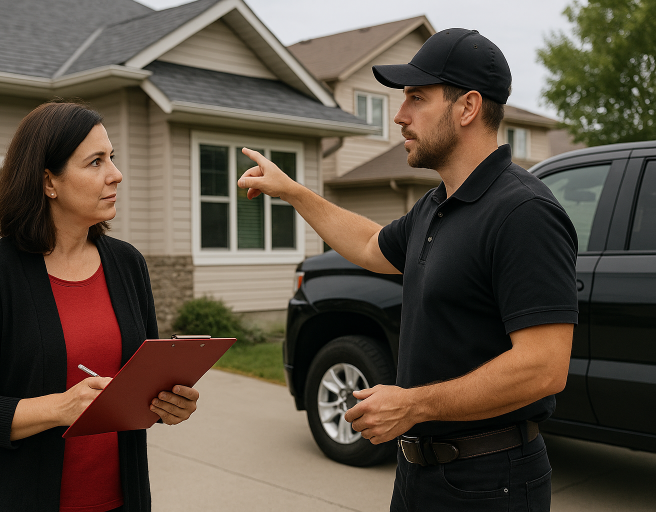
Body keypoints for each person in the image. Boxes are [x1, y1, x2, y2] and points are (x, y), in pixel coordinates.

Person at [238, 29, 577, 511]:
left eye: (417, 98)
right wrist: (292, 191)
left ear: (468, 107)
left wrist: (413, 403)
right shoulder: (438, 205)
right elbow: (372, 246)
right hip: (420, 471)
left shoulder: (523, 212)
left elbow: (544, 367)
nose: (399, 116)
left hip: (491, 481)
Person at [0, 101, 200, 512]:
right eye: (95, 162)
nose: (116, 174)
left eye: (111, 158)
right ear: (49, 182)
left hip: (122, 501)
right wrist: (60, 407)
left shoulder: (128, 263)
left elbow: (142, 382)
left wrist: (168, 404)